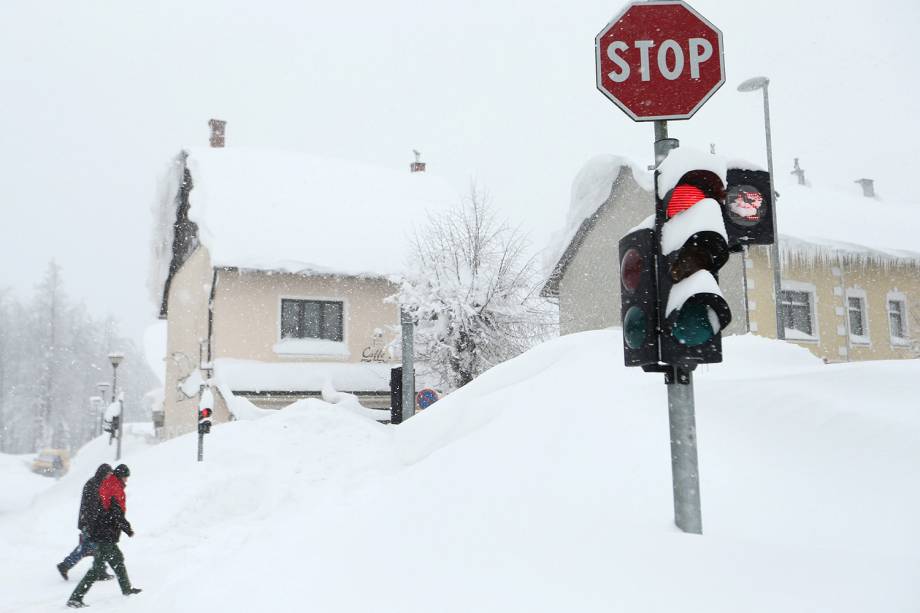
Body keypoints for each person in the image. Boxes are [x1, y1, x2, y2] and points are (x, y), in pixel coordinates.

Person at [67, 464, 142, 608]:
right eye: (126, 477)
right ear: (121, 476)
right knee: (97, 568)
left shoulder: (109, 484)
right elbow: (116, 513)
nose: (127, 480)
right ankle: (75, 598)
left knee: (118, 560)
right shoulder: (114, 488)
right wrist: (127, 529)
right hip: (104, 534)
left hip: (104, 532)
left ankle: (127, 589)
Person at [56, 464, 115, 581]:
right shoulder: (93, 485)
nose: (110, 476)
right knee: (98, 547)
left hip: (91, 523)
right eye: (109, 474)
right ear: (103, 473)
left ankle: (65, 565)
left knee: (87, 547)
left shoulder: (98, 483)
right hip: (90, 523)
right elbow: (92, 508)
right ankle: (99, 571)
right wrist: (92, 525)